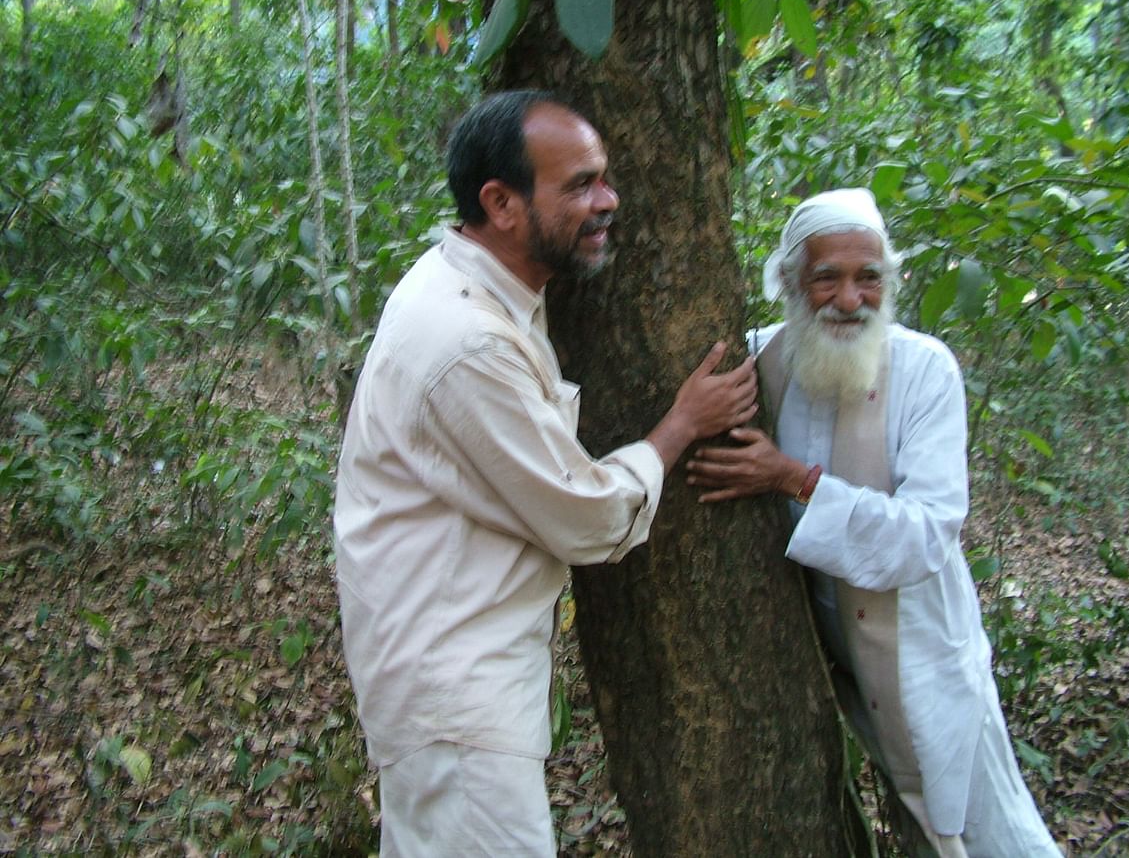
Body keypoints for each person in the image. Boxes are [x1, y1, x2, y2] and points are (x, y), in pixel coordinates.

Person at [333, 90, 758, 858]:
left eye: (604, 178)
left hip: (456, 686)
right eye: (580, 185)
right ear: (500, 203)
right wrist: (680, 428)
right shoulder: (468, 341)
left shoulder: (475, 291)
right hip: (455, 704)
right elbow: (587, 518)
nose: (609, 201)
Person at [686, 189, 1060, 857]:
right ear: (790, 283)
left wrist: (790, 477)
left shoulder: (925, 370)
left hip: (926, 656)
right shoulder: (764, 360)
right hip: (836, 663)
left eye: (867, 278)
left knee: (990, 833)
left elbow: (926, 534)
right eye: (826, 276)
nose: (848, 299)